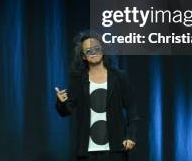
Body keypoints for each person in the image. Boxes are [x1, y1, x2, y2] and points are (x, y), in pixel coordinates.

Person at [55, 31, 140, 160]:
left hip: (115, 150)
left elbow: (132, 110)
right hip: (87, 152)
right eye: (89, 51)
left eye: (97, 48)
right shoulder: (78, 80)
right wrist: (61, 102)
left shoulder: (119, 77)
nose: (93, 52)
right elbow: (66, 112)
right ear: (83, 56)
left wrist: (131, 136)